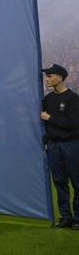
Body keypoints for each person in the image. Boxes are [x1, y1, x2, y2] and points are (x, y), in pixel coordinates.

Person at [41, 64, 79, 229]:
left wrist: (50, 118)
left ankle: (78, 218)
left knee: (76, 181)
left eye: (50, 76)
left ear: (60, 77)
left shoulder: (73, 98)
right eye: (46, 76)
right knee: (59, 182)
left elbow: (74, 124)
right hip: (54, 145)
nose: (47, 79)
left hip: (71, 144)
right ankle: (66, 218)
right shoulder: (47, 99)